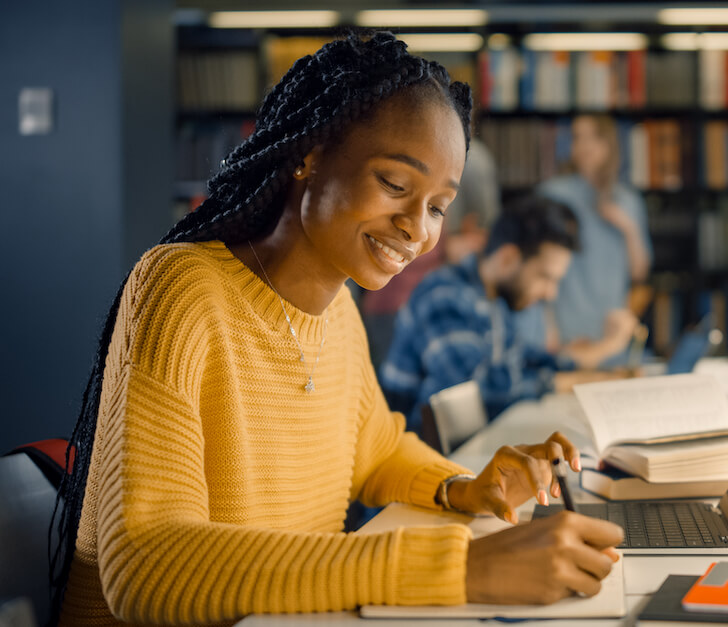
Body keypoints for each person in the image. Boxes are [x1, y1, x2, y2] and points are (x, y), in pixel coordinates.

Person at [51, 33, 622, 626]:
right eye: (396, 185)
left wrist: (464, 487)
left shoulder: (339, 310)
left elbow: (373, 452)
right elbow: (145, 565)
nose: (416, 229)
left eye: (437, 207)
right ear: (310, 154)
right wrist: (458, 567)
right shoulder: (182, 290)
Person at [380, 195, 637, 428]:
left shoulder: (493, 300)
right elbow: (474, 393)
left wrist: (598, 363)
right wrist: (576, 382)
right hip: (415, 458)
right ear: (508, 258)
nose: (551, 293)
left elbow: (521, 360)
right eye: (545, 277)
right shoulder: (444, 297)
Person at [516, 114, 653, 360]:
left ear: (610, 144)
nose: (585, 146)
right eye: (578, 138)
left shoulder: (628, 201)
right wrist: (547, 326)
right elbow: (534, 267)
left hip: (611, 332)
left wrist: (628, 229)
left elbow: (639, 273)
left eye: (594, 137)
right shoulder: (553, 195)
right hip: (566, 330)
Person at [359, 136, 501, 371]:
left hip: (411, 303)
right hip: (394, 306)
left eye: (437, 208)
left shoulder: (468, 161)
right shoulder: (469, 159)